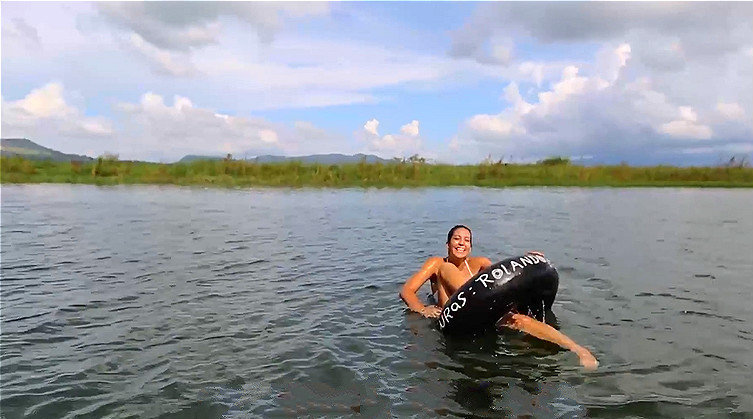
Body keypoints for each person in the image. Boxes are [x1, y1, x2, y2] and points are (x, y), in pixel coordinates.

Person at [399, 225, 598, 370]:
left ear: (471, 246)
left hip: (484, 315)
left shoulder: (480, 264)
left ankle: (577, 350)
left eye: (467, 240)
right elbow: (407, 291)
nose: (461, 243)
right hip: (454, 319)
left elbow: (504, 283)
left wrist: (531, 261)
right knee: (447, 267)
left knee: (520, 320)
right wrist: (422, 308)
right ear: (447, 244)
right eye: (456, 239)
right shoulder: (437, 264)